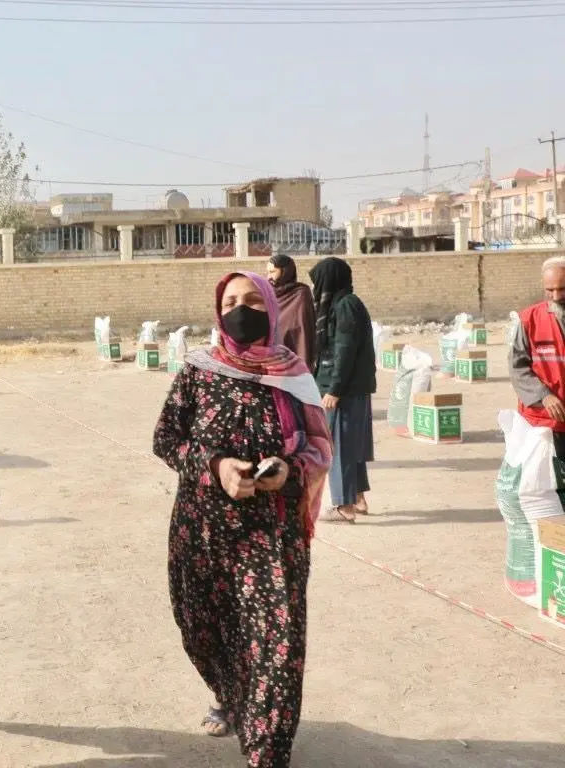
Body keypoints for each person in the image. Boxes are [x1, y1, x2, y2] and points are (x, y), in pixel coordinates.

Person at [152, 271, 332, 768]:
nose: (240, 309)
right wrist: (216, 467)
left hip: (273, 536)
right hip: (202, 531)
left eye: (252, 300)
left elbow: (320, 446)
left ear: (271, 309)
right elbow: (166, 440)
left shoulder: (293, 375)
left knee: (276, 644)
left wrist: (288, 471)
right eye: (230, 301)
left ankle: (267, 751)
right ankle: (231, 695)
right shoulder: (199, 370)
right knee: (204, 630)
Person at [309, 256, 377, 523]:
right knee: (351, 446)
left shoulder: (345, 306)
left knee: (339, 447)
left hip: (343, 390)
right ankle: (357, 498)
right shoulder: (346, 303)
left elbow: (345, 350)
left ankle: (343, 506)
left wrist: (335, 389)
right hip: (350, 387)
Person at [511, 256, 565, 454]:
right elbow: (518, 368)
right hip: (544, 422)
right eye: (550, 290)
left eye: (562, 289)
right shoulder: (529, 319)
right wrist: (544, 396)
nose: (556, 296)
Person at [266, 253, 317, 368]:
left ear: (285, 271)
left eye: (272, 272)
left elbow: (304, 329)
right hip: (273, 357)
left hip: (296, 354)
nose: (269, 277)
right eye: (268, 272)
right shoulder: (267, 294)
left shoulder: (301, 293)